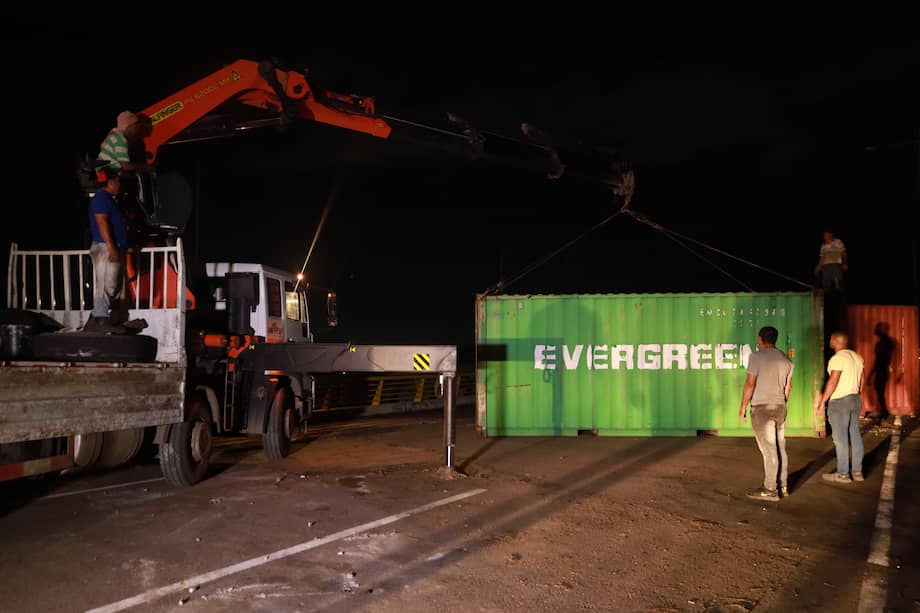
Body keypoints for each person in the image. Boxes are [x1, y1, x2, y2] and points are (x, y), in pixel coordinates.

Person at [739, 326, 794, 501]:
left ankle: (770, 490)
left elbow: (750, 384)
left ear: (760, 339)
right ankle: (782, 486)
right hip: (779, 407)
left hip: (762, 408)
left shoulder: (756, 357)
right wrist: (781, 403)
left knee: (769, 450)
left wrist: (742, 407)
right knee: (780, 447)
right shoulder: (786, 360)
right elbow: (788, 388)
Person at [814, 331, 866, 483]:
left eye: (831, 339)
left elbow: (833, 381)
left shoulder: (838, 359)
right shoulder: (857, 357)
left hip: (840, 402)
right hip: (855, 398)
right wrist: (856, 395)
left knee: (840, 438)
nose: (829, 341)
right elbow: (862, 380)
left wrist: (823, 401)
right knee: (855, 436)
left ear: (836, 341)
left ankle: (843, 473)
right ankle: (857, 472)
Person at [87, 169, 128, 329]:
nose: (119, 185)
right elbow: (101, 222)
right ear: (111, 182)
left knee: (111, 285)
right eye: (118, 181)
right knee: (106, 285)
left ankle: (98, 317)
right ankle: (99, 317)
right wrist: (111, 247)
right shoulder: (101, 198)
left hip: (109, 246)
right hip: (105, 247)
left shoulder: (108, 199)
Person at [867, 322, 898, 423]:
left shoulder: (883, 343)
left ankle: (884, 413)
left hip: (881, 370)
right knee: (880, 392)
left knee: (879, 391)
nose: (876, 330)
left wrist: (870, 375)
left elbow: (879, 360)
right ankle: (883, 412)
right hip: (883, 370)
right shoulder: (887, 342)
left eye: (878, 328)